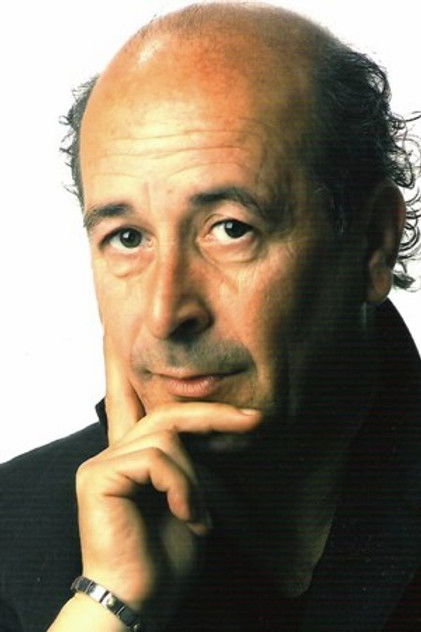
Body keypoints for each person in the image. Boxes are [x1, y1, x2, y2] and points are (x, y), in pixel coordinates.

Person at [1, 2, 420, 631]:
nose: (166, 312)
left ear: (372, 243)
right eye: (127, 238)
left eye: (230, 229)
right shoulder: (10, 532)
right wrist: (107, 603)